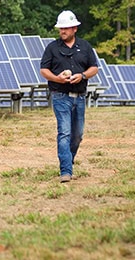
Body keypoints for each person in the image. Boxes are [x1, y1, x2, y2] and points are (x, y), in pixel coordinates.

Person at [39, 10, 99, 183]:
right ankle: (65, 170)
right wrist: (57, 78)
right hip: (60, 96)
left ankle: (68, 160)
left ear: (74, 29)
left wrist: (83, 76)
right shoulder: (52, 48)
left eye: (65, 28)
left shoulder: (85, 47)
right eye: (60, 29)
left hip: (79, 97)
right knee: (64, 132)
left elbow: (94, 68)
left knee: (78, 134)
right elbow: (44, 70)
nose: (62, 31)